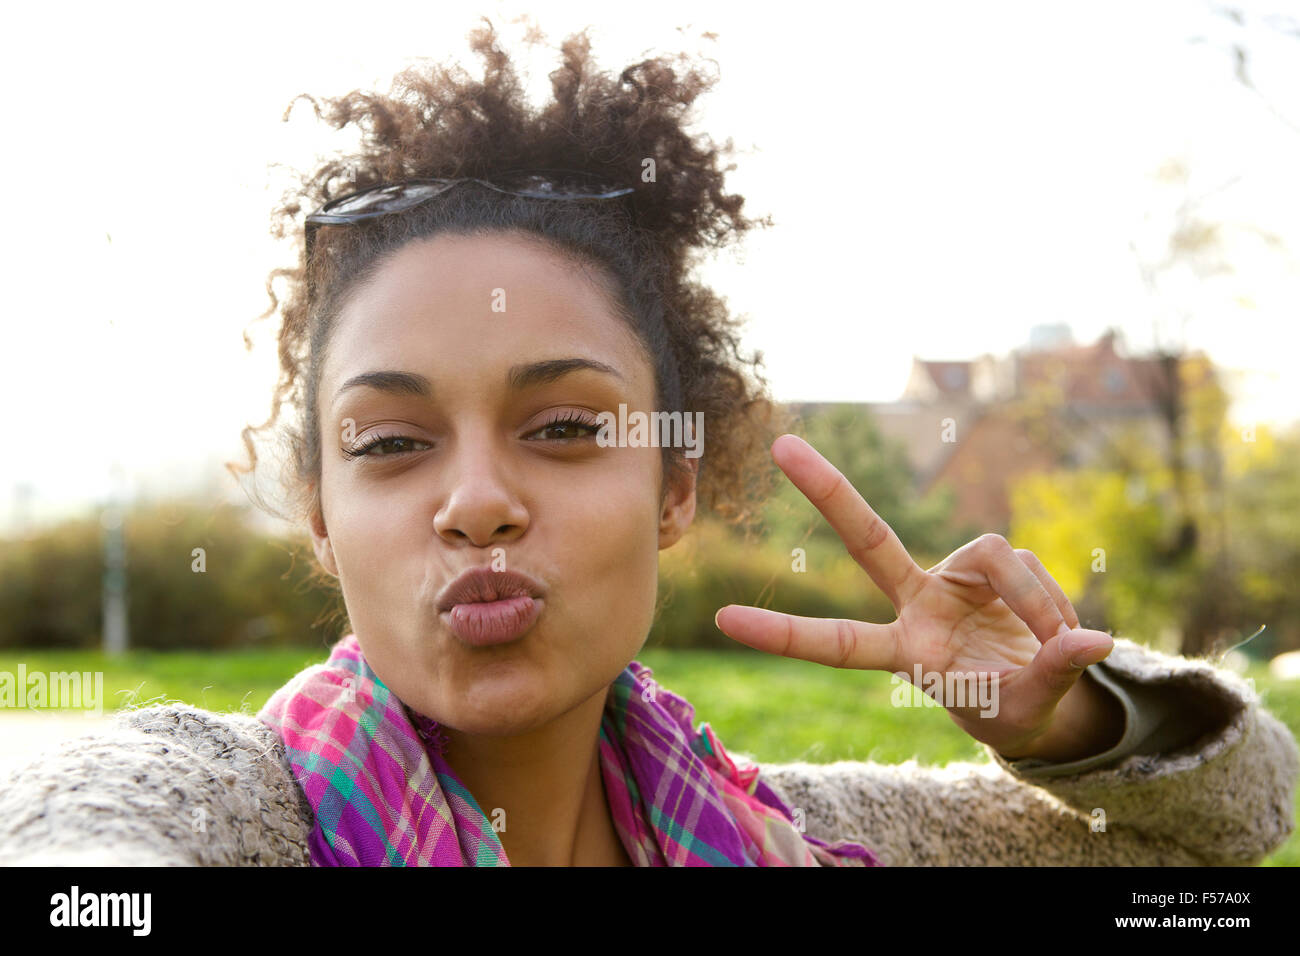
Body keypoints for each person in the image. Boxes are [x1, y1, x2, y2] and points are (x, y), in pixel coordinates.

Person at [0, 20, 1295, 867]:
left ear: (674, 487)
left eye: (563, 427)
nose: (477, 503)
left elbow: (1233, 826)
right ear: (324, 516)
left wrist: (1056, 721)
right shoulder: (227, 814)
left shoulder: (801, 835)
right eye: (391, 443)